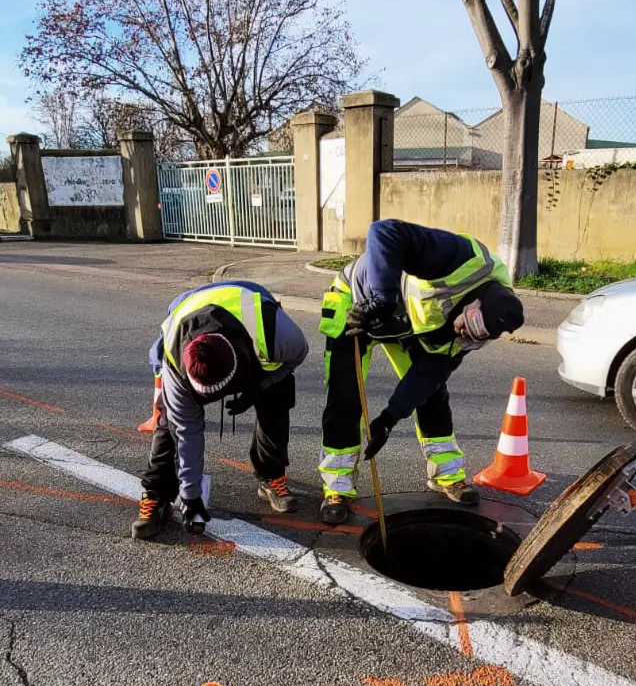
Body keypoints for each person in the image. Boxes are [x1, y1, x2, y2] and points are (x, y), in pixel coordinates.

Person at [318, 219, 524, 525]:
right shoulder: (460, 258)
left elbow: (425, 378)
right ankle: (337, 487)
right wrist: (382, 299)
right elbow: (383, 231)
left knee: (432, 397)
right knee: (346, 398)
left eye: (473, 336)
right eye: (468, 324)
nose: (462, 334)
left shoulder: (468, 335)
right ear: (474, 301)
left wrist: (387, 420)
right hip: (359, 305)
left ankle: (447, 474)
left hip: (407, 324)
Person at [131, 280, 308, 540]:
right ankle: (156, 495)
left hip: (247, 307)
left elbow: (298, 355)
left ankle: (271, 476)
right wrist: (191, 498)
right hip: (187, 307)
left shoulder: (275, 333)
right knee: (168, 423)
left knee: (278, 395)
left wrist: (260, 387)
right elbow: (187, 433)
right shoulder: (174, 363)